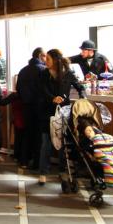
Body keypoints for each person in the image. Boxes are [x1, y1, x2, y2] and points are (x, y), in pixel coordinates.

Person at [39, 49, 85, 185]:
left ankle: (62, 171)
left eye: (48, 59)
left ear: (55, 60)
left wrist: (83, 96)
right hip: (47, 112)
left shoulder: (68, 73)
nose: (45, 61)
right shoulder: (43, 74)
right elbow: (42, 90)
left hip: (64, 112)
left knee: (63, 143)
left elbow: (79, 86)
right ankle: (43, 172)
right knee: (46, 142)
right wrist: (52, 98)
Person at [17, 48, 47, 171]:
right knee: (38, 135)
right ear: (40, 56)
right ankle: (36, 164)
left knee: (27, 133)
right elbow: (45, 89)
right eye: (45, 56)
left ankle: (23, 161)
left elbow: (18, 88)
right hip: (39, 107)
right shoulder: (43, 70)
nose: (46, 59)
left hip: (26, 106)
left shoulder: (23, 70)